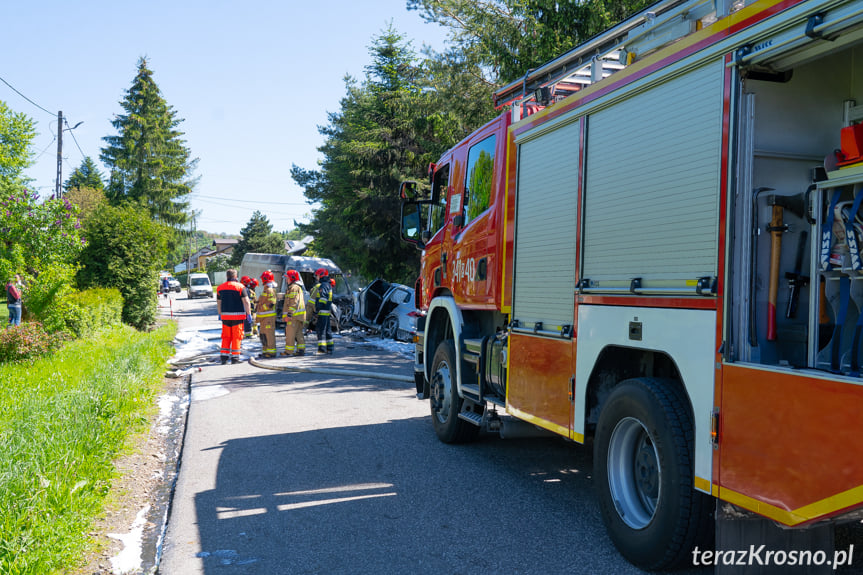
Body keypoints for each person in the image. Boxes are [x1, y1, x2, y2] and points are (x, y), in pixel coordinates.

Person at [216, 269, 251, 364]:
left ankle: (224, 357)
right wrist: (248, 314)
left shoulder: (220, 288)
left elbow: (219, 302)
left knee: (226, 336)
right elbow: (246, 302)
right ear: (236, 277)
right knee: (237, 336)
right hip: (238, 316)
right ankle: (235, 358)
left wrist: (220, 314)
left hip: (225, 317)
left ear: (227, 277)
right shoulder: (240, 287)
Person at [281, 269, 306, 356]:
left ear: (291, 278)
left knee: (290, 334)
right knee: (298, 333)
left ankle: (288, 351)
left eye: (287, 278)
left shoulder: (294, 288)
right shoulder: (297, 287)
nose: (286, 280)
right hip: (299, 316)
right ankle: (301, 350)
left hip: (294, 316)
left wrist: (289, 314)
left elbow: (293, 302)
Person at [256, 270, 278, 358]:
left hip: (268, 318)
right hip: (263, 318)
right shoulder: (266, 289)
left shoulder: (270, 290)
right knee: (263, 335)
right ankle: (265, 351)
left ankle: (271, 352)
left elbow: (272, 303)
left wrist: (261, 308)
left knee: (269, 335)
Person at [313, 268, 333, 354]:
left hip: (322, 311)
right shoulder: (328, 284)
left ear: (321, 275)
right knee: (327, 330)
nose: (316, 277)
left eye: (317, 275)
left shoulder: (323, 285)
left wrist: (317, 309)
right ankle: (329, 348)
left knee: (321, 330)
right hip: (327, 311)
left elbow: (323, 298)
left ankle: (322, 349)